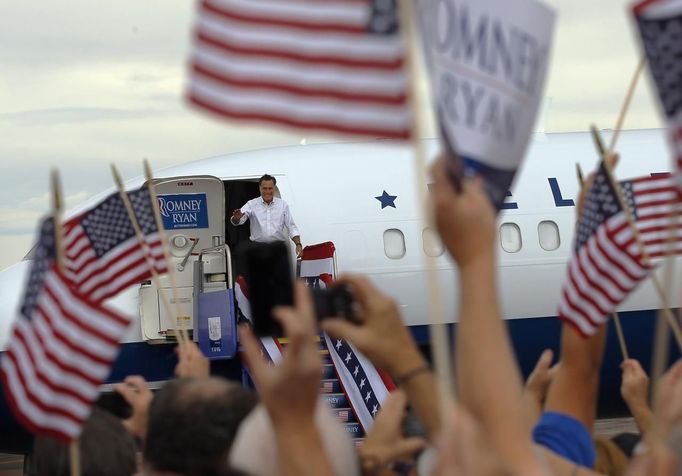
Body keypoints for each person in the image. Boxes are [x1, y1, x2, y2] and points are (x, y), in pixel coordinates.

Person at [230, 174, 303, 257]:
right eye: (264, 188)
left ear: (274, 188)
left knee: (279, 270)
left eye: (270, 188)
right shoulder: (252, 204)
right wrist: (236, 218)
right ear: (260, 188)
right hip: (257, 249)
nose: (267, 191)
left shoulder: (282, 205)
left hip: (278, 249)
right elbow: (238, 220)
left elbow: (291, 227)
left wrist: (298, 244)